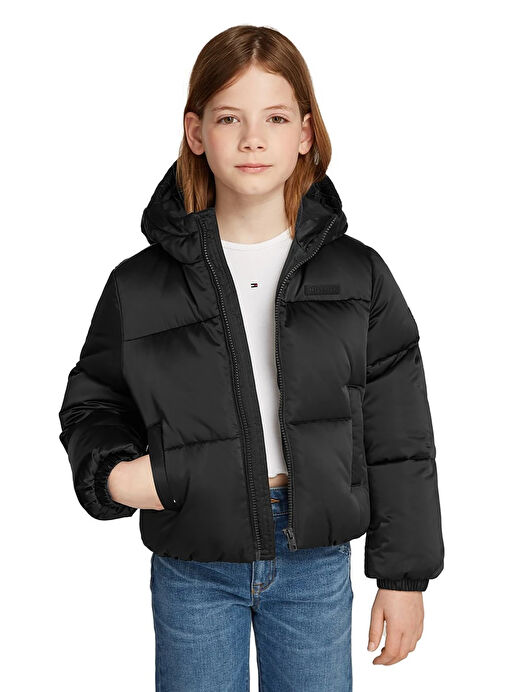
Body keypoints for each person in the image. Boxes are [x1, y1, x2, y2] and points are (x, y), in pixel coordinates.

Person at [58, 25, 444, 692]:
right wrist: (114, 476)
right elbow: (93, 401)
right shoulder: (139, 286)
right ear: (196, 132)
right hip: (193, 559)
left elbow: (400, 435)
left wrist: (403, 577)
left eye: (275, 118)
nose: (252, 139)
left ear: (305, 133)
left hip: (314, 558)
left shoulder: (359, 276)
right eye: (229, 118)